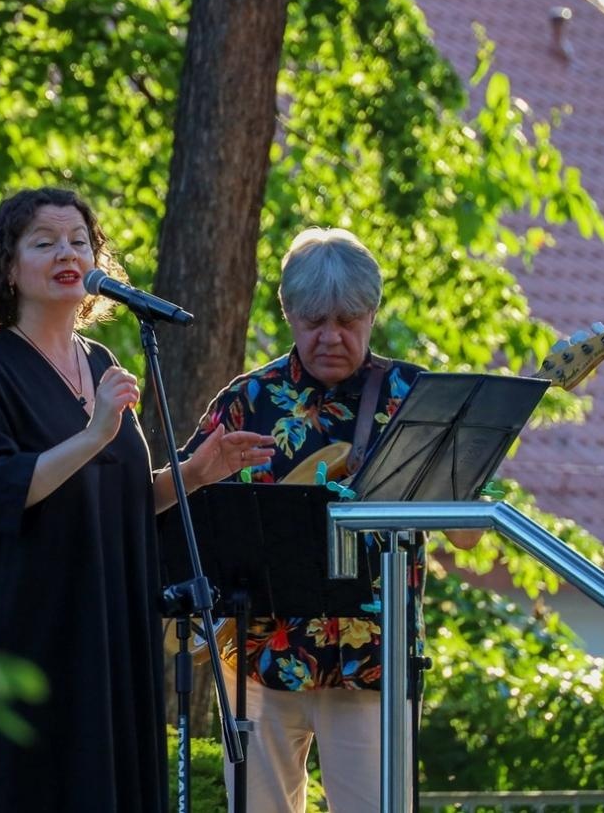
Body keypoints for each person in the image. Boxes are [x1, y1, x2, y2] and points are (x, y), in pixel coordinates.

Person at [0, 187, 273, 813]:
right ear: (7, 268)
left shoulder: (100, 362)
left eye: (79, 241)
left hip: (109, 620)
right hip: (30, 632)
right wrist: (94, 434)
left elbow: (120, 500)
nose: (68, 253)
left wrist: (197, 473)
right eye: (44, 242)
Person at [180, 227, 465, 813]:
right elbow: (182, 511)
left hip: (372, 661)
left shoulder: (417, 398)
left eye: (348, 320)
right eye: (314, 321)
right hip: (258, 659)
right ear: (288, 314)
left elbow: (462, 530)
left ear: (371, 314)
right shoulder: (246, 400)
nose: (331, 336)